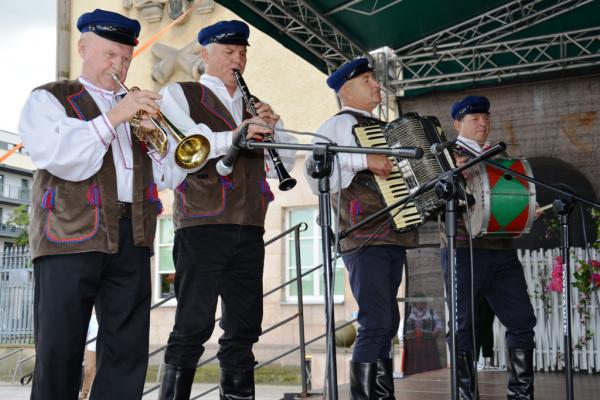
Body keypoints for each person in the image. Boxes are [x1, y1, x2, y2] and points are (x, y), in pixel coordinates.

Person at [18, 8, 174, 399]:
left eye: (125, 56)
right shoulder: (51, 98)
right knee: (61, 347)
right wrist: (117, 114)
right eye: (109, 54)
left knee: (126, 349)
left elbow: (171, 174)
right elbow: (63, 157)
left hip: (132, 234)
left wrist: (162, 144)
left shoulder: (137, 107)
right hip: (69, 234)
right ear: (83, 47)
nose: (119, 64)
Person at [156, 20, 298, 400]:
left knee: (244, 326)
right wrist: (238, 134)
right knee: (193, 324)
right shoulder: (180, 94)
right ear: (205, 55)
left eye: (242, 53)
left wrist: (276, 126)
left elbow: (282, 163)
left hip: (250, 226)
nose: (238, 59)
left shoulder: (254, 104)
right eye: (228, 52)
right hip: (202, 226)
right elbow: (187, 145)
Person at [304, 57, 418, 400]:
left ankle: (382, 395)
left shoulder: (384, 127)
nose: (376, 85)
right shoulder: (336, 126)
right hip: (362, 232)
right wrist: (363, 160)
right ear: (346, 90)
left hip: (393, 231)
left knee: (389, 322)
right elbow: (315, 173)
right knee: (376, 320)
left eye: (374, 79)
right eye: (367, 80)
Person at [440, 96, 536, 399]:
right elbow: (429, 202)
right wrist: (453, 177)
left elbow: (510, 199)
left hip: (501, 249)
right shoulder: (444, 157)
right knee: (462, 326)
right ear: (458, 124)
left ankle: (521, 395)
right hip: (462, 250)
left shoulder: (499, 157)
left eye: (486, 118)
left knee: (521, 320)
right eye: (475, 118)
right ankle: (466, 396)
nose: (483, 123)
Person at [400, 294, 443, 375]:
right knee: (413, 363)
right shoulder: (408, 312)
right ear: (415, 303)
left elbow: (439, 324)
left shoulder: (431, 312)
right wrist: (403, 339)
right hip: (412, 343)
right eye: (418, 302)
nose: (421, 304)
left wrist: (436, 331)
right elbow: (402, 326)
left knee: (428, 364)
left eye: (422, 302)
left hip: (428, 343)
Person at [80, 313, 99, 399]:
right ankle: (85, 392)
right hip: (91, 348)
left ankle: (96, 393)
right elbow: (86, 334)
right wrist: (84, 349)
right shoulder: (92, 318)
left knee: (98, 373)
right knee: (88, 370)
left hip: (102, 348)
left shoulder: (105, 317)